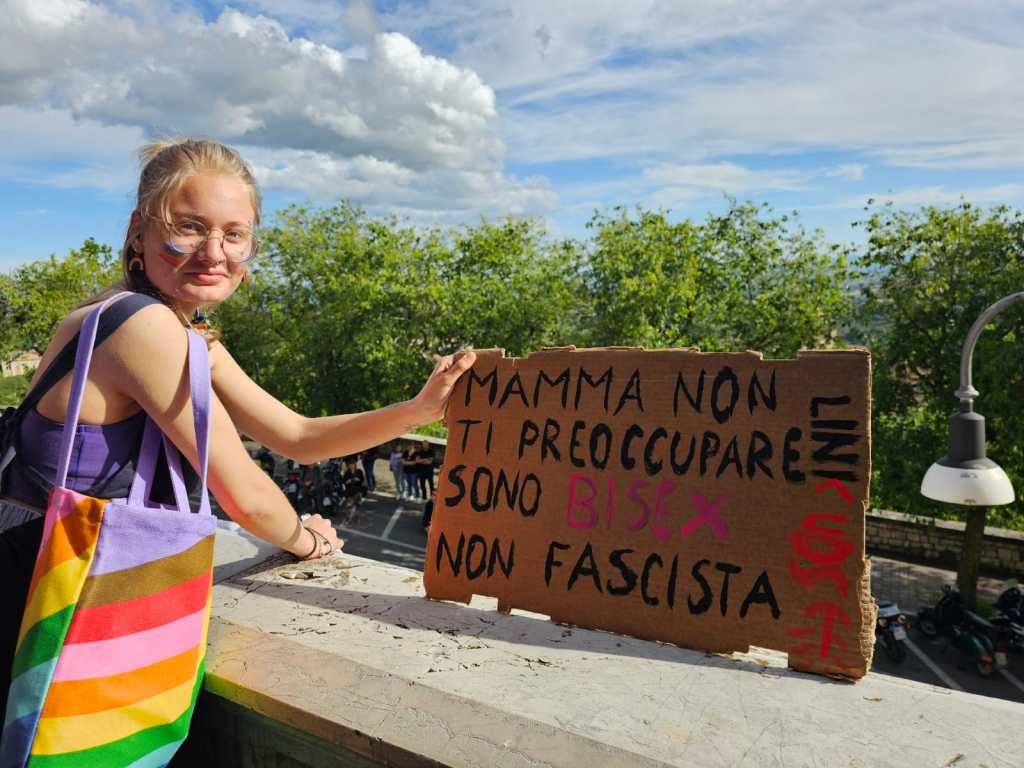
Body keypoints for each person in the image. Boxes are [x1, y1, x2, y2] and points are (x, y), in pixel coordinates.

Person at [0, 138, 475, 721]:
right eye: (189, 227)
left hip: (49, 577)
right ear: (138, 232)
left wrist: (416, 410)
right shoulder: (144, 327)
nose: (214, 252)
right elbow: (244, 493)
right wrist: (310, 542)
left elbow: (296, 436)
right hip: (45, 597)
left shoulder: (165, 325)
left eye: (234, 233)